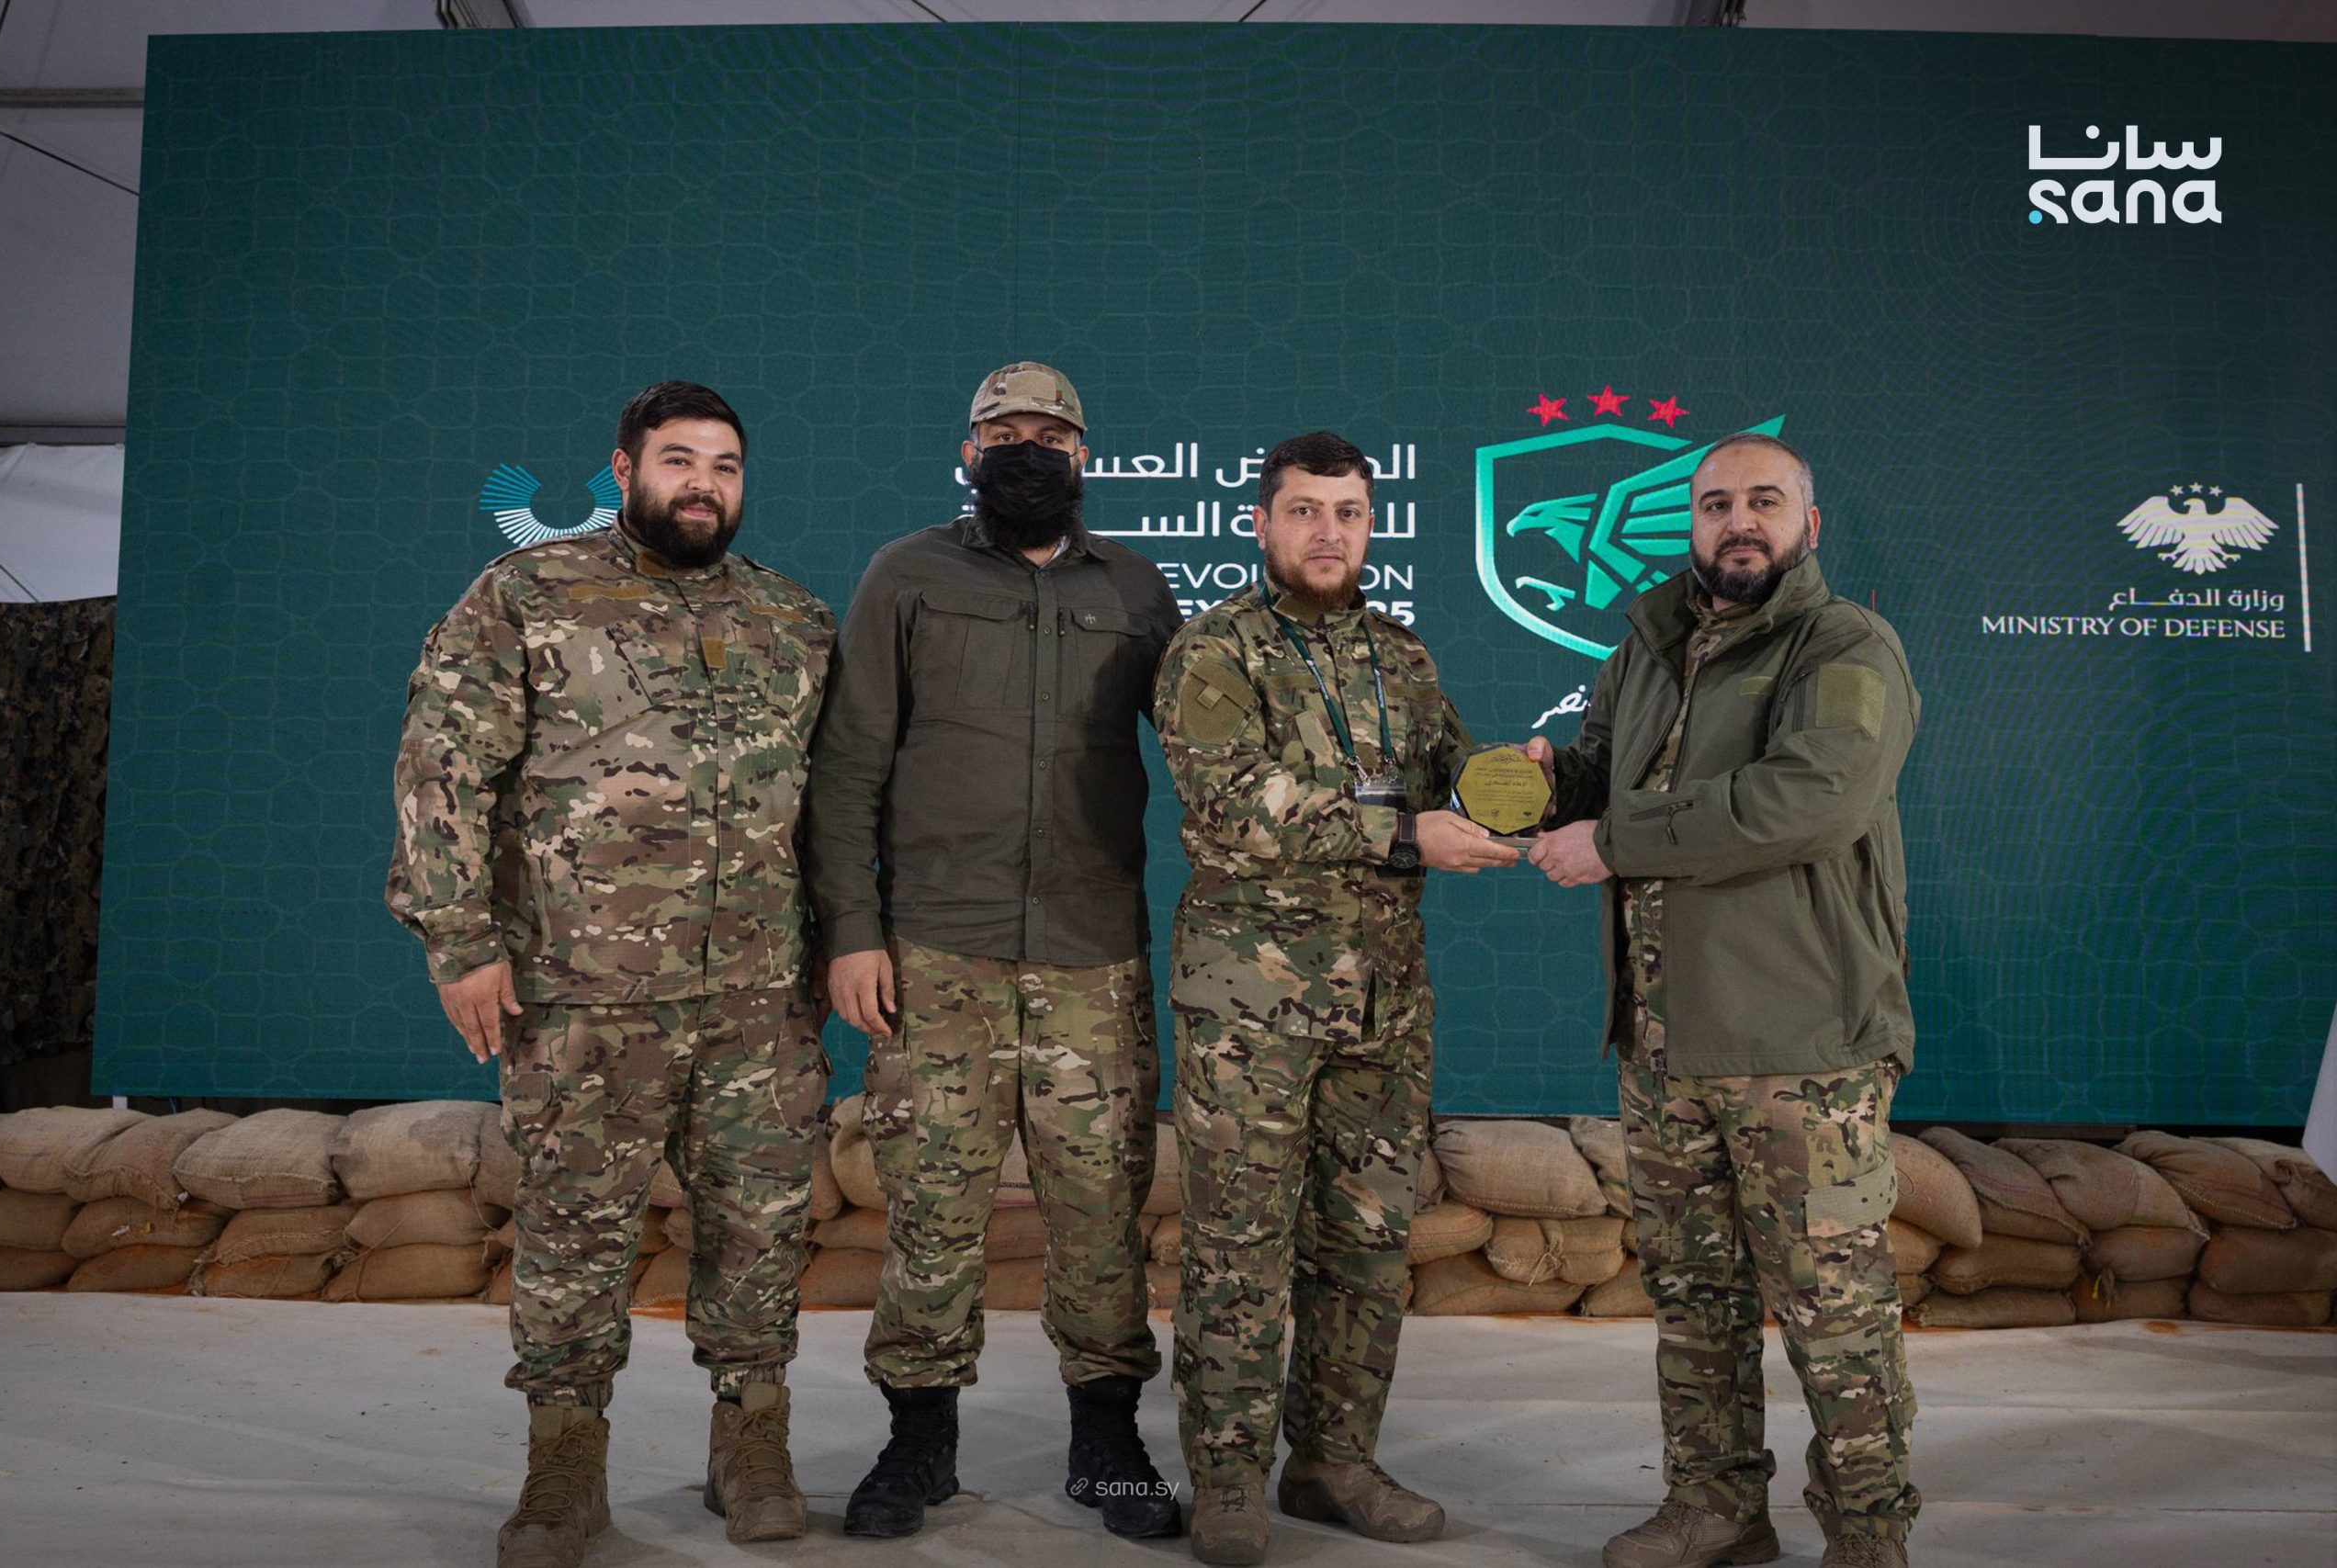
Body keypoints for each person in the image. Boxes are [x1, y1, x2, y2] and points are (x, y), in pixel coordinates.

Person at [387, 381, 836, 1568]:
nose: (704, 484)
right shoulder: (528, 595)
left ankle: (753, 1446)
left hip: (757, 995)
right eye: (679, 459)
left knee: (761, 1225)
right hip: (581, 988)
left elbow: (836, 804)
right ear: (625, 469)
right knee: (574, 1229)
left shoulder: (792, 619)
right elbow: (443, 766)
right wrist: (460, 939)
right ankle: (564, 1465)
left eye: (725, 465)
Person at [1525, 432, 1922, 1568]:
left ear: (1807, 523)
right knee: (1693, 1300)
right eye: (1714, 505)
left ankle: (1867, 1534)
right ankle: (1714, 1508)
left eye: (1763, 501)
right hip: (1663, 1043)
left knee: (1835, 1312)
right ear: (1689, 523)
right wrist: (1548, 785)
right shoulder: (1648, 644)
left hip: (1800, 1046)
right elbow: (1606, 772)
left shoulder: (1844, 645)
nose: (1737, 522)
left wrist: (1614, 841)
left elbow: (1812, 799)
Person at [804, 361, 1186, 1540]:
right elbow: (849, 764)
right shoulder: (907, 575)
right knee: (930, 1207)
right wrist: (851, 932)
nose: (1028, 449)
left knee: (1101, 1210)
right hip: (937, 953)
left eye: (1051, 434)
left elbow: (1211, 746)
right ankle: (917, 1443)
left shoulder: (1135, 587)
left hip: (1090, 954)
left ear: (1084, 456)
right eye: (1003, 431)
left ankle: (1107, 1444)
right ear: (969, 452)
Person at [1151, 430, 1517, 1566]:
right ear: (1260, 523)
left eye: (1348, 513)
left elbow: (1454, 776)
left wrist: (1526, 784)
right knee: (1238, 1250)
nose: (1328, 533)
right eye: (1305, 511)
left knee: (1365, 1244)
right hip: (1249, 1014)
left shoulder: (1399, 655)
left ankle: (1333, 1462)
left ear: (1370, 526)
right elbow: (1232, 806)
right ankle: (1225, 1482)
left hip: (1382, 1007)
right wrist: (1408, 834)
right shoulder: (1213, 651)